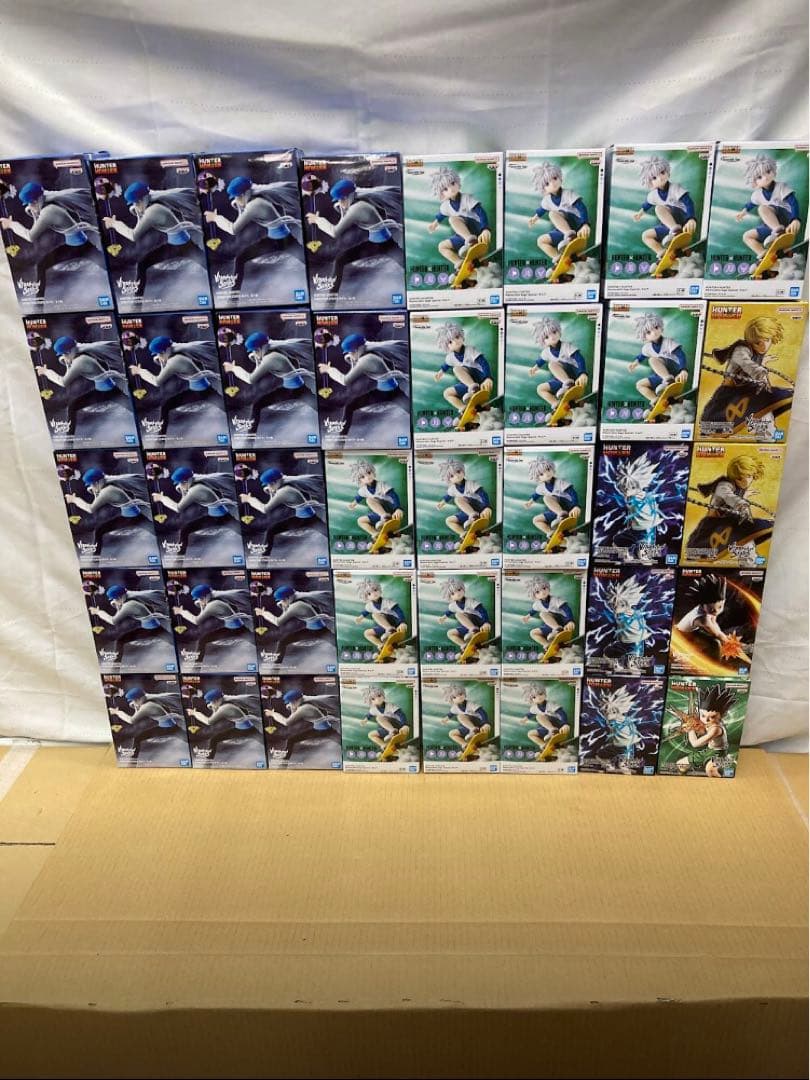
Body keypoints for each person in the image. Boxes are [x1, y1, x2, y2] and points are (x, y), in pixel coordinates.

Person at [0, 179, 105, 298]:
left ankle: (38, 303)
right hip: (77, 245)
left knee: (41, 266)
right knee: (41, 265)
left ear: (37, 200)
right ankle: (39, 302)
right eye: (28, 204)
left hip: (78, 247)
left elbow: (30, 236)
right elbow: (37, 221)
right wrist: (34, 212)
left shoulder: (48, 212)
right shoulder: (46, 197)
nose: (29, 206)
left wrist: (11, 224)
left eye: (31, 203)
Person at [103, 180, 204, 296]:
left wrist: (115, 224)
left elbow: (133, 235)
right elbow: (140, 221)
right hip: (173, 246)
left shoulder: (153, 211)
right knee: (142, 264)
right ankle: (137, 301)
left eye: (137, 202)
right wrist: (138, 213)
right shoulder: (150, 202)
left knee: (208, 263)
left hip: (185, 246)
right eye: (134, 203)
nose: (135, 205)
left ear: (143, 199)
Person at [204, 174, 304, 289]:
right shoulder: (255, 197)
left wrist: (215, 218)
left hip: (284, 240)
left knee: (309, 260)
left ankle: (234, 295)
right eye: (235, 197)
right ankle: (234, 295)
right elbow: (243, 212)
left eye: (238, 197)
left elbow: (233, 229)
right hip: (274, 239)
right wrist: (239, 205)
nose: (236, 200)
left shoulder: (254, 205)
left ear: (245, 194)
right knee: (240, 259)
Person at [305, 176, 402, 293]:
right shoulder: (356, 202)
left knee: (405, 263)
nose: (340, 203)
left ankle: (331, 299)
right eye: (338, 200)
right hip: (375, 243)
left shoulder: (357, 208)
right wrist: (342, 208)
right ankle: (331, 299)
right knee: (339, 260)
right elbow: (344, 217)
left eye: (342, 199)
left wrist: (317, 220)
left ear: (349, 196)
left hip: (384, 244)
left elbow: (334, 232)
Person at [701, 315, 792, 435]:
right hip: (731, 392)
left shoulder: (758, 353)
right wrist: (760, 371)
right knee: (715, 420)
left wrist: (762, 366)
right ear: (751, 340)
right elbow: (746, 363)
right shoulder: (741, 350)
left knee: (771, 402)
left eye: (767, 340)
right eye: (758, 342)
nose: (764, 346)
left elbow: (755, 371)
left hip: (751, 390)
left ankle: (765, 434)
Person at [33, 334, 129, 434]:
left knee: (134, 408)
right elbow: (69, 366)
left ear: (70, 351)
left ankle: (69, 439)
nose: (63, 356)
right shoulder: (79, 350)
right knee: (73, 406)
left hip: (110, 392)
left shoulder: (80, 361)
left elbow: (63, 382)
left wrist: (46, 372)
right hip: (101, 391)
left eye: (65, 354)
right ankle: (69, 439)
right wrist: (67, 363)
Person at [223, 331, 314, 433]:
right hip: (291, 388)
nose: (254, 353)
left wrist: (234, 368)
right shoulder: (271, 352)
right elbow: (260, 366)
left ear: (261, 348)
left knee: (257, 405)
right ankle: (250, 438)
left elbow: (251, 379)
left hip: (294, 391)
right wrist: (256, 358)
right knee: (257, 405)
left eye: (256, 350)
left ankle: (250, 439)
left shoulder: (271, 358)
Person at [129, 333, 221, 435]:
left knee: (229, 407)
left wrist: (140, 371)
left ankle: (160, 440)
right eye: (158, 354)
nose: (159, 356)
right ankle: (160, 439)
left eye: (160, 353)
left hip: (204, 392)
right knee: (166, 406)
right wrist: (161, 361)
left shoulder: (175, 361)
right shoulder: (176, 350)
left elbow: (157, 381)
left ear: (167, 350)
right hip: (195, 391)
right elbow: (164, 366)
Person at [318, 333, 410, 434]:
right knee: (350, 406)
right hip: (385, 391)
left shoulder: (365, 360)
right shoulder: (369, 353)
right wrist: (352, 359)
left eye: (352, 352)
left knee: (350, 407)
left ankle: (341, 439)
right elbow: (355, 366)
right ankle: (341, 438)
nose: (351, 354)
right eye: (350, 352)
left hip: (388, 393)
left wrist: (329, 370)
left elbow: (345, 380)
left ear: (358, 349)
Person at [686, 454, 771, 559]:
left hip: (731, 523)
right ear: (736, 476)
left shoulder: (739, 488)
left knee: (749, 541)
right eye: (744, 477)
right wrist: (741, 503)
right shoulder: (723, 485)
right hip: (714, 525)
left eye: (750, 476)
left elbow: (735, 501)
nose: (748, 481)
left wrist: (744, 497)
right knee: (700, 552)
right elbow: (729, 496)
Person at [152, 465, 237, 555]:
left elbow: (178, 508)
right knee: (185, 530)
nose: (180, 485)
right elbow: (184, 498)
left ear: (187, 481)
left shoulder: (195, 490)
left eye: (182, 483)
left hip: (222, 518)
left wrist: (162, 498)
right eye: (179, 483)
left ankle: (179, 559)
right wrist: (183, 489)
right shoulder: (193, 482)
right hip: (214, 517)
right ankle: (179, 558)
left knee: (244, 531)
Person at [65, 466, 151, 554]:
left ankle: (95, 560)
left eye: (91, 484)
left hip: (131, 518)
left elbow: (90, 509)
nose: (91, 487)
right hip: (131, 516)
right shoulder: (108, 486)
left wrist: (74, 500)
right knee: (99, 531)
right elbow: (98, 497)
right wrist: (95, 492)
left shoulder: (107, 492)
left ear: (97, 482)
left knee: (99, 531)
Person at [240, 466, 325, 555]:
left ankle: (264, 559)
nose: (267, 486)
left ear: (274, 482)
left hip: (304, 520)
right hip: (308, 517)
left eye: (269, 484)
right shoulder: (284, 483)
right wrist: (272, 492)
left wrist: (249, 499)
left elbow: (265, 509)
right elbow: (274, 498)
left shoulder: (284, 492)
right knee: (271, 530)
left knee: (271, 531)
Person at [633, 155, 697, 272]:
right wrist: (639, 213)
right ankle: (663, 254)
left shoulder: (675, 188)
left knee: (659, 208)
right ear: (650, 183)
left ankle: (676, 231)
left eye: (662, 173)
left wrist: (691, 218)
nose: (660, 178)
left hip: (681, 218)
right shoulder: (653, 195)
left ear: (668, 172)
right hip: (668, 225)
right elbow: (647, 204)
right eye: (654, 177)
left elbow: (689, 203)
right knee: (646, 235)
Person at [427, 166, 491, 281]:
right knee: (442, 246)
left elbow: (481, 212)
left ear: (457, 182)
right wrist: (434, 224)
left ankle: (471, 241)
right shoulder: (445, 206)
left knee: (453, 219)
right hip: (463, 234)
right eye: (445, 189)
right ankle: (460, 264)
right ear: (442, 194)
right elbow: (441, 215)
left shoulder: (466, 198)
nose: (451, 189)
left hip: (475, 228)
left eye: (452, 183)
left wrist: (485, 229)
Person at [736, 154, 802, 262]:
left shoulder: (781, 187)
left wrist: (795, 219)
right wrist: (743, 212)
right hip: (772, 225)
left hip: (786, 218)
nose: (765, 177)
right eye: (760, 177)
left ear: (773, 171)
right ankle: (764, 255)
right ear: (754, 182)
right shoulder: (757, 194)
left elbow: (793, 202)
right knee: (747, 236)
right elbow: (751, 204)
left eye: (768, 172)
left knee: (762, 208)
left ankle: (779, 232)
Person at [172, 583, 254, 664]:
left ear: (206, 597)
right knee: (202, 640)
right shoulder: (213, 600)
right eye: (199, 599)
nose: (199, 600)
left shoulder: (212, 605)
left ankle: (196, 668)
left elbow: (196, 621)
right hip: (233, 629)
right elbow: (203, 612)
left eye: (200, 598)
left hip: (236, 630)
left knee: (202, 641)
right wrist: (202, 606)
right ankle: (196, 668)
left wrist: (182, 612)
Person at [528, 161, 591, 265]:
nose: (553, 183)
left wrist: (585, 224)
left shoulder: (568, 194)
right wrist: (534, 218)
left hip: (576, 224)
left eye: (555, 178)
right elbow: (542, 209)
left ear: (560, 178)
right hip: (563, 229)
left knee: (552, 214)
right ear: (543, 189)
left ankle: (571, 236)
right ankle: (560, 259)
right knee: (541, 241)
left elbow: (582, 207)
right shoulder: (547, 200)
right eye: (547, 183)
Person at [89, 583, 171, 663]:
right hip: (151, 627)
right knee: (172, 640)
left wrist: (98, 612)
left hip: (150, 629)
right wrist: (117, 605)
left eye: (115, 599)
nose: (114, 601)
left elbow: (113, 621)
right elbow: (120, 611)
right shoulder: (128, 596)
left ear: (120, 597)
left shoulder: (129, 605)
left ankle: (115, 668)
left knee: (120, 640)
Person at [254, 583, 333, 663]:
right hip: (312, 630)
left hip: (318, 631)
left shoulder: (296, 606)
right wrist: (284, 606)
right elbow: (285, 612)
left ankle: (276, 664)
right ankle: (277, 664)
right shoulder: (296, 601)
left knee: (283, 642)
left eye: (282, 600)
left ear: (288, 598)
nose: (281, 602)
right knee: (283, 641)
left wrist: (263, 613)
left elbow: (278, 622)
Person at [433, 321, 493, 425]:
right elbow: (446, 365)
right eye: (450, 342)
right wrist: (440, 372)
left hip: (480, 377)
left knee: (456, 369)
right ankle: (465, 410)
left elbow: (484, 363)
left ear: (462, 336)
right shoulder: (450, 357)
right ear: (446, 347)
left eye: (457, 337)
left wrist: (488, 378)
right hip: (467, 382)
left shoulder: (470, 350)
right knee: (447, 393)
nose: (455, 341)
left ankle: (474, 389)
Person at [628, 313, 688, 416]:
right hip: (661, 375)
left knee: (652, 360)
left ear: (660, 327)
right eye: (648, 332)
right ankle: (657, 401)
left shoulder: (668, 342)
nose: (654, 332)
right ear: (644, 336)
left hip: (674, 370)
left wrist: (683, 370)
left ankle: (669, 380)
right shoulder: (647, 347)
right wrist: (635, 363)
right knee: (640, 384)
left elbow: (681, 355)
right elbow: (641, 356)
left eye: (656, 327)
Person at [672, 683, 737, 777]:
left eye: (712, 717)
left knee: (710, 770)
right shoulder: (707, 723)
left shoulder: (716, 729)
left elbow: (695, 744)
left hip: (719, 754)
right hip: (708, 751)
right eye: (703, 715)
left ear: (722, 716)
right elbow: (700, 729)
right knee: (680, 764)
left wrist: (690, 730)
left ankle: (727, 761)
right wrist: (690, 724)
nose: (706, 720)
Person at [528, 316, 589, 414]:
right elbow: (541, 361)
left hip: (573, 374)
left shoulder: (566, 346)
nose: (552, 337)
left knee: (552, 364)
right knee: (540, 389)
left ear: (559, 331)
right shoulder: (546, 352)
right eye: (547, 337)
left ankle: (568, 384)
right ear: (543, 341)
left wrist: (582, 373)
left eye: (554, 332)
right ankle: (557, 404)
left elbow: (579, 358)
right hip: (561, 379)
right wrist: (534, 368)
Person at [185, 686, 261, 762]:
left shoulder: (224, 708)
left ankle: (208, 761)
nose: (210, 704)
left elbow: (209, 721)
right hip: (242, 728)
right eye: (210, 702)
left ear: (217, 700)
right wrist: (214, 708)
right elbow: (215, 712)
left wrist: (195, 713)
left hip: (245, 730)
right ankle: (209, 759)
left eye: (212, 702)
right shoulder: (224, 701)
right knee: (214, 739)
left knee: (214, 740)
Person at [263, 687, 340, 761]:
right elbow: (293, 715)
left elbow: (287, 722)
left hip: (324, 731)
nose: (290, 704)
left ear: (297, 700)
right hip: (319, 729)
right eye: (290, 702)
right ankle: (284, 761)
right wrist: (293, 708)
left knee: (291, 740)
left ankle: (284, 762)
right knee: (291, 740)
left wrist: (273, 714)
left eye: (291, 702)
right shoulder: (303, 702)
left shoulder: (304, 708)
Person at [108, 685, 184, 759]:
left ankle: (132, 761)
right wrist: (136, 707)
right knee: (138, 738)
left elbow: (132, 720)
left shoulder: (147, 707)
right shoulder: (147, 700)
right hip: (165, 727)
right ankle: (133, 760)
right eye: (133, 701)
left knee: (138, 738)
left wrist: (117, 712)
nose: (133, 702)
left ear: (139, 699)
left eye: (134, 700)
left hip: (168, 729)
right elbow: (137, 715)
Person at [436, 458, 491, 549]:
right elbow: (448, 496)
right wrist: (441, 503)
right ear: (449, 480)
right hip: (467, 511)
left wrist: (487, 507)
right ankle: (464, 534)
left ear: (463, 471)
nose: (457, 476)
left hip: (479, 507)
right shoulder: (452, 488)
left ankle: (474, 516)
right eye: (452, 476)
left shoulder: (470, 484)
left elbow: (483, 494)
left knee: (458, 499)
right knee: (449, 520)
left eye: (458, 472)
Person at [346, 459, 402, 547]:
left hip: (390, 508)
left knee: (369, 500)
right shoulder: (363, 490)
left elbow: (393, 495)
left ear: (373, 472)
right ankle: (377, 534)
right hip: (380, 512)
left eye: (369, 473)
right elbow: (359, 497)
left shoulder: (381, 485)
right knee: (360, 521)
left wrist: (398, 508)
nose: (367, 477)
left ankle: (385, 517)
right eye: (363, 477)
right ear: (360, 480)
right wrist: (353, 504)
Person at [524, 457, 581, 541]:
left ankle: (562, 515)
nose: (546, 474)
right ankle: (552, 534)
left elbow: (572, 493)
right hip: (556, 511)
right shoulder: (541, 487)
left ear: (552, 468)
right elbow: (536, 495)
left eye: (548, 469)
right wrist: (529, 502)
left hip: (568, 506)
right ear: (538, 478)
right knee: (536, 520)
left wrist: (576, 506)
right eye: (542, 474)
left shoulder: (560, 482)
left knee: (546, 498)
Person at [438, 577, 491, 656]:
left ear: (463, 589)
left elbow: (482, 611)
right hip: (468, 626)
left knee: (458, 614)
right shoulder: (453, 605)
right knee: (450, 633)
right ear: (450, 597)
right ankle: (465, 646)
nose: (457, 593)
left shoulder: (470, 601)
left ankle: (474, 630)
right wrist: (443, 618)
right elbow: (449, 612)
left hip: (479, 622)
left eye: (459, 590)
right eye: (453, 593)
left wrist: (486, 622)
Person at [522, 576, 576, 653]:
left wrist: (570, 621)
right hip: (550, 625)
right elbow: (533, 610)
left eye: (544, 588)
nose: (542, 592)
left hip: (561, 621)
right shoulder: (537, 604)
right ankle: (547, 645)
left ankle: (558, 629)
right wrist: (527, 617)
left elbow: (567, 609)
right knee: (533, 633)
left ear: (548, 587)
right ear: (534, 595)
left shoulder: (555, 600)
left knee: (542, 614)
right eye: (538, 592)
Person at [354, 578, 408, 654]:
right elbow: (366, 612)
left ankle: (390, 630)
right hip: (384, 626)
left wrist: (402, 622)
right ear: (366, 597)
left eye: (375, 590)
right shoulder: (369, 605)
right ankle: (381, 645)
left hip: (395, 622)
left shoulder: (387, 602)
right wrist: (360, 618)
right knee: (367, 633)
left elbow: (398, 611)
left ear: (379, 589)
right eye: (369, 593)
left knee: (375, 615)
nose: (374, 594)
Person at [520, 682, 570, 759]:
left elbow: (562, 713)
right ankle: (544, 745)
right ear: (531, 700)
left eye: (540, 694)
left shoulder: (550, 704)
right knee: (530, 734)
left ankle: (553, 730)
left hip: (557, 724)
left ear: (544, 694)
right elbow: (530, 714)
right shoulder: (534, 708)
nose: (539, 697)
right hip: (546, 728)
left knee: (539, 716)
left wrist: (565, 724)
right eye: (534, 697)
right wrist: (524, 719)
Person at [359, 684, 409, 760]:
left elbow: (401, 714)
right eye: (373, 699)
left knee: (379, 718)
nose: (377, 699)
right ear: (370, 702)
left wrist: (404, 725)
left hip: (397, 725)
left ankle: (393, 731)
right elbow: (369, 715)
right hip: (386, 728)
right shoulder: (373, 709)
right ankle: (384, 745)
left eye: (379, 696)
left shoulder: (390, 706)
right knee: (371, 734)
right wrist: (365, 720)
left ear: (383, 695)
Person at [440, 682, 490, 758]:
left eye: (461, 694)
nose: (459, 697)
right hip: (467, 727)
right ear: (451, 700)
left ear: (464, 694)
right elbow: (450, 714)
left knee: (460, 716)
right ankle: (465, 745)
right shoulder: (454, 707)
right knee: (452, 733)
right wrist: (445, 719)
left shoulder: (470, 704)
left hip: (478, 723)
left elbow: (482, 712)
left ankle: (473, 730)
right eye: (455, 697)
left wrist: (485, 723)